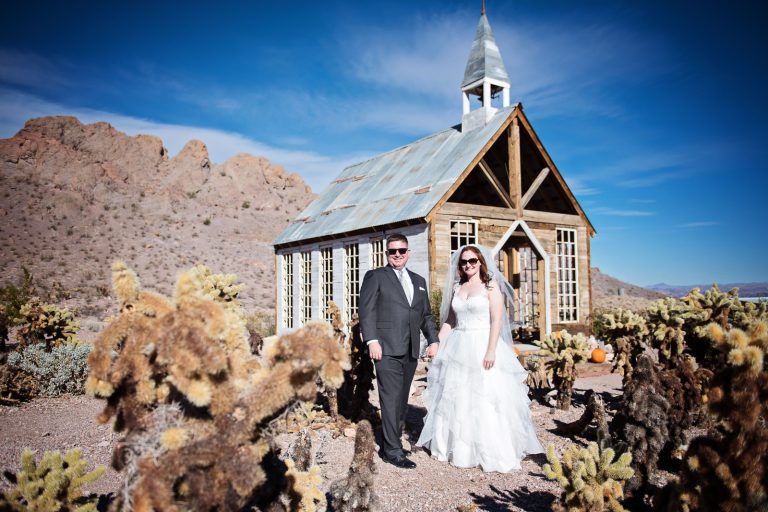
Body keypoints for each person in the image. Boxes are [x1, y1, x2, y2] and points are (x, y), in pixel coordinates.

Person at [415, 244, 543, 472]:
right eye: (464, 262)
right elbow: (450, 322)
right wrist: (436, 343)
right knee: (458, 396)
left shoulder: (491, 287)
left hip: (483, 343)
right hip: (458, 345)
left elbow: (496, 320)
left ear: (481, 262)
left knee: (485, 396)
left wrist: (491, 350)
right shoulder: (457, 287)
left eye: (472, 261)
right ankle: (459, 450)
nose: (468, 265)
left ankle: (490, 450)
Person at [359, 233, 440, 469]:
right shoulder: (376, 277)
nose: (397, 255)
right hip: (385, 348)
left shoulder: (419, 280)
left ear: (408, 253)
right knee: (390, 399)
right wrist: (372, 340)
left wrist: (433, 340)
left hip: (411, 349)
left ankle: (390, 443)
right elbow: (366, 311)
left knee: (401, 400)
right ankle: (392, 451)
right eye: (392, 251)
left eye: (401, 251)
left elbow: (425, 315)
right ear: (386, 253)